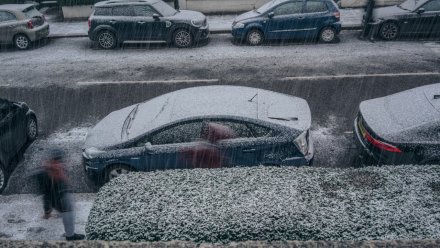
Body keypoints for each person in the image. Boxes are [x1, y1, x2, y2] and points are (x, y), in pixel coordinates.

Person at [35, 148, 85, 241]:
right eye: (58, 160)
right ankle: (70, 236)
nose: (61, 163)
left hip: (62, 195)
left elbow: (62, 180)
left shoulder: (56, 168)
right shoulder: (48, 174)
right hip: (59, 198)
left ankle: (70, 234)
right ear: (53, 160)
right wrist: (47, 211)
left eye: (60, 160)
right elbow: (46, 195)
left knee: (69, 213)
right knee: (68, 213)